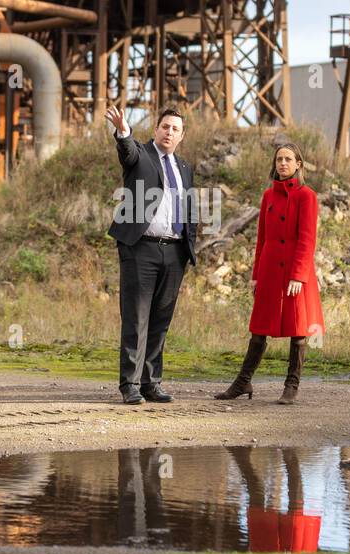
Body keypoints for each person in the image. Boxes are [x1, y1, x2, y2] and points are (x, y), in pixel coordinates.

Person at [216, 141, 324, 404]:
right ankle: (243, 382)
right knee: (259, 328)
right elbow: (262, 238)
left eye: (288, 159)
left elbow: (307, 239)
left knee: (299, 329)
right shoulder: (268, 196)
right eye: (279, 160)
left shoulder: (307, 196)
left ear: (298, 164)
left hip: (296, 271)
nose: (283, 163)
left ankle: (291, 385)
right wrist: (255, 274)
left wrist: (298, 274)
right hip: (269, 269)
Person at [105, 104, 197, 405]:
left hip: (173, 251)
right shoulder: (140, 155)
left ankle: (151, 382)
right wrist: (123, 132)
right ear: (156, 129)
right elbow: (127, 151)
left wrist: (188, 246)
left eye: (175, 129)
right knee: (136, 317)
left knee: (161, 318)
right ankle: (129, 384)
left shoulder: (185, 168)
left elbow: (189, 207)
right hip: (141, 248)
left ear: (181, 136)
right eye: (165, 126)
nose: (169, 132)